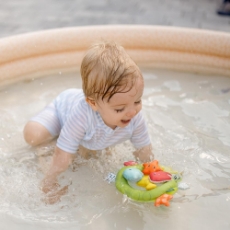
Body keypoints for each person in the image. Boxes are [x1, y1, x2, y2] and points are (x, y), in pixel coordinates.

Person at [23, 41, 154, 203]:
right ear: (93, 104)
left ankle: (86, 142)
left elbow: (144, 149)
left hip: (90, 126)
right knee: (33, 135)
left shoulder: (134, 116)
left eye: (137, 101)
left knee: (90, 148)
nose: (132, 112)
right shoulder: (82, 115)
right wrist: (50, 181)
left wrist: (152, 173)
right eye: (120, 109)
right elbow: (62, 154)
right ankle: (58, 135)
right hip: (61, 110)